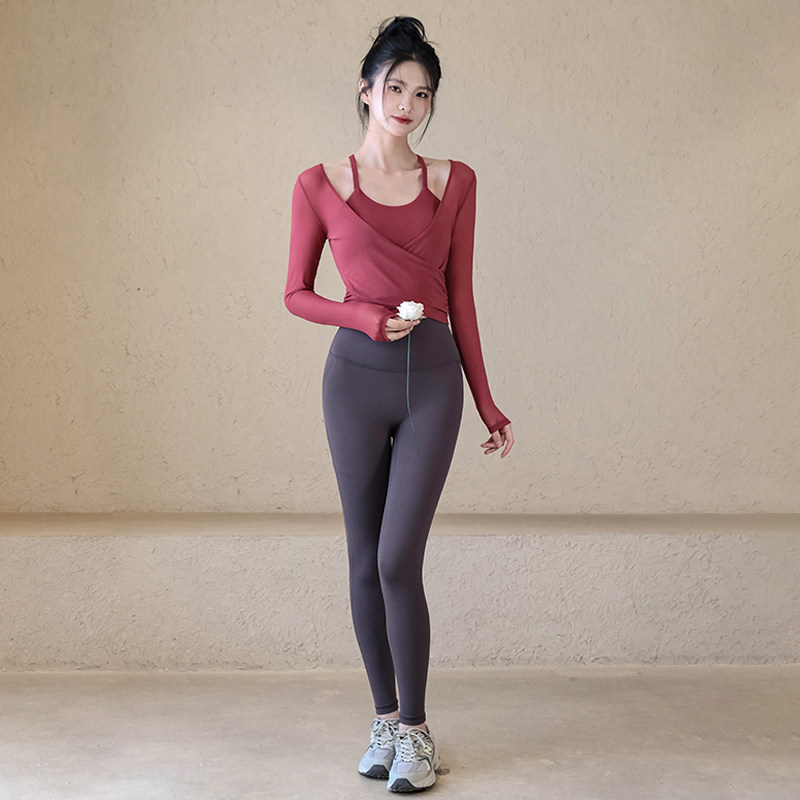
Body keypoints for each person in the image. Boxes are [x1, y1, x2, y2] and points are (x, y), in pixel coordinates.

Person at [284, 16, 514, 793]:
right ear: (366, 90)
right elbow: (295, 293)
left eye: (422, 93)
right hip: (353, 382)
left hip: (433, 383)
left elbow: (462, 297)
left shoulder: (456, 182)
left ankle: (416, 732)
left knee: (395, 559)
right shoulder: (318, 184)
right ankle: (384, 719)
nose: (408, 104)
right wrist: (359, 316)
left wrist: (487, 400)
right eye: (395, 88)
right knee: (362, 561)